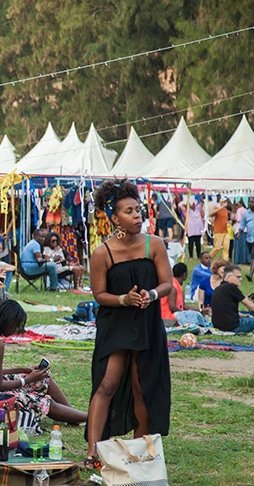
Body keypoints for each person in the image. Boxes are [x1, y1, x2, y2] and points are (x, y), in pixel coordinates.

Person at [84, 179, 172, 470]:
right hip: (116, 325)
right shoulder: (103, 253)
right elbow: (99, 295)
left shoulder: (154, 244)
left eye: (138, 210)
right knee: (107, 383)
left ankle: (140, 454)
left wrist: (151, 294)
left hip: (147, 323)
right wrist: (124, 299)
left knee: (141, 386)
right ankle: (93, 452)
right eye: (129, 211)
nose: (137, 216)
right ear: (113, 217)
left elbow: (167, 284)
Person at [0, 299, 87, 424]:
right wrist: (27, 379)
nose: (16, 329)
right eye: (16, 325)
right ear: (7, 321)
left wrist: (23, 370)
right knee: (40, 400)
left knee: (43, 378)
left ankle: (74, 415)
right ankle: (88, 417)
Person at [211, 264, 254, 333]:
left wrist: (247, 315)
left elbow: (229, 311)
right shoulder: (231, 287)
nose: (241, 279)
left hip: (219, 326)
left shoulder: (218, 289)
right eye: (238, 277)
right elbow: (249, 305)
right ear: (228, 277)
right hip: (235, 327)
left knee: (252, 314)